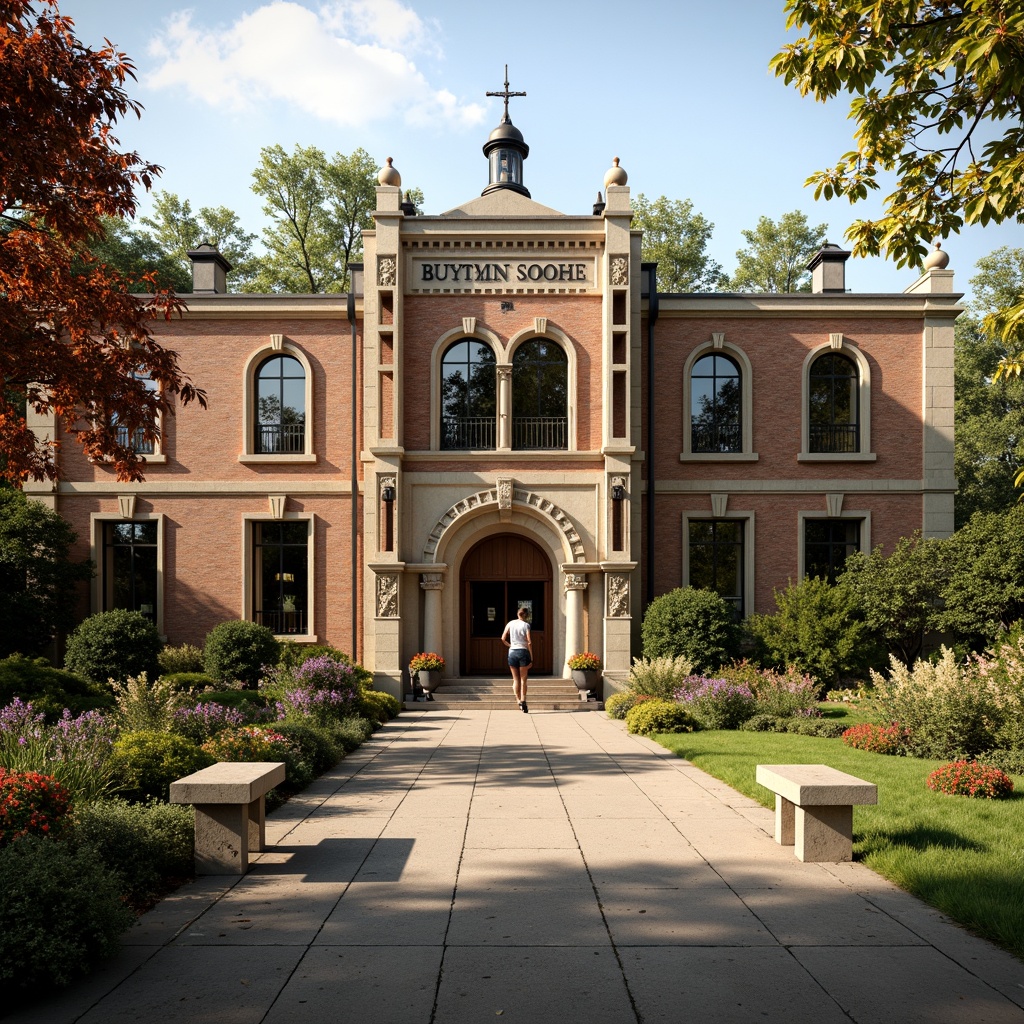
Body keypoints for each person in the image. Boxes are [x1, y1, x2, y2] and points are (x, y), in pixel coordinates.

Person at [501, 605, 533, 712]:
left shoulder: (510, 623)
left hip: (512, 652)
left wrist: (510, 645)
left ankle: (518, 700)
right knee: (523, 680)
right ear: (526, 615)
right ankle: (524, 700)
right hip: (523, 652)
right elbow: (529, 642)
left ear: (517, 614)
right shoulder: (526, 625)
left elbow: (503, 638)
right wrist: (532, 658)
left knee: (515, 679)